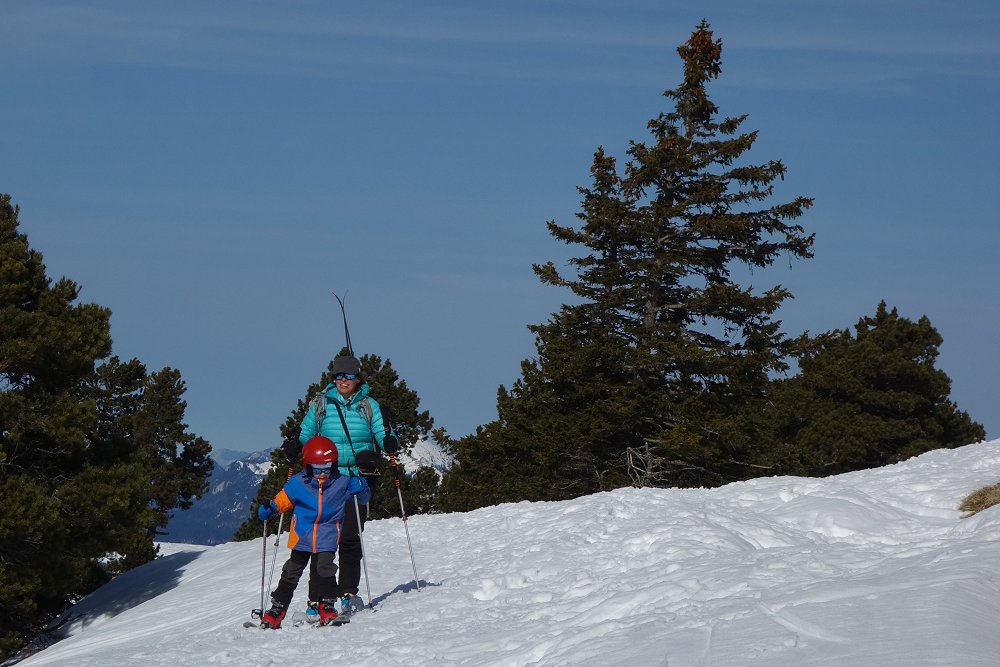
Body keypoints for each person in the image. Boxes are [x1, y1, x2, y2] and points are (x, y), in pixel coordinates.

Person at [287, 353, 399, 614]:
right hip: (326, 479)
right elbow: (306, 431)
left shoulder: (369, 405)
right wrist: (296, 444)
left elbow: (382, 432)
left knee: (349, 537)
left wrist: (388, 442)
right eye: (338, 375)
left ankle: (348, 592)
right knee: (320, 541)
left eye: (348, 375)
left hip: (357, 479)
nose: (343, 380)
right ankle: (317, 599)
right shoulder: (321, 404)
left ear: (358, 378)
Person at [257, 435, 369, 628]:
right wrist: (272, 508)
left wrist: (362, 487)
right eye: (317, 469)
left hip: (328, 535)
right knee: (291, 570)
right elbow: (283, 499)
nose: (322, 474)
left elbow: (363, 499)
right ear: (308, 466)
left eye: (327, 468)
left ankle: (327, 606)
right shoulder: (298, 483)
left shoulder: (341, 483)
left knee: (325, 568)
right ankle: (278, 608)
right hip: (302, 535)